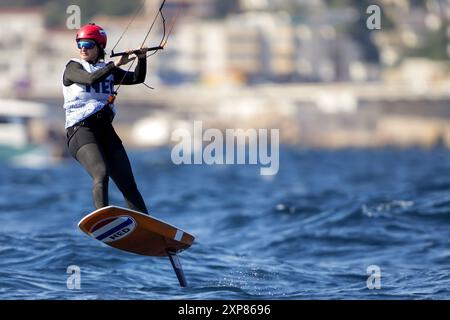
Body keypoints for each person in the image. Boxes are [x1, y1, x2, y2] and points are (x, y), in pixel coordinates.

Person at [63, 23, 149, 214]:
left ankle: (147, 227)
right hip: (81, 131)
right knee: (101, 174)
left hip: (105, 131)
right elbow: (90, 79)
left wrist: (141, 58)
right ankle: (103, 218)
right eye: (80, 44)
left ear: (100, 47)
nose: (83, 48)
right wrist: (114, 65)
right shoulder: (73, 67)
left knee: (127, 182)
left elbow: (136, 78)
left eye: (88, 44)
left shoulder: (106, 69)